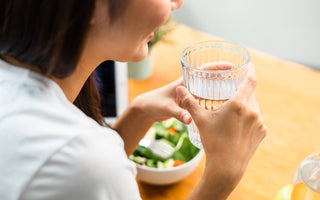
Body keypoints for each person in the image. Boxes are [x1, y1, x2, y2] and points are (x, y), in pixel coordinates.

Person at [0, 0, 267, 199]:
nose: (177, 3)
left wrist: (138, 114)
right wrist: (223, 175)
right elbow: (81, 167)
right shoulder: (82, 160)